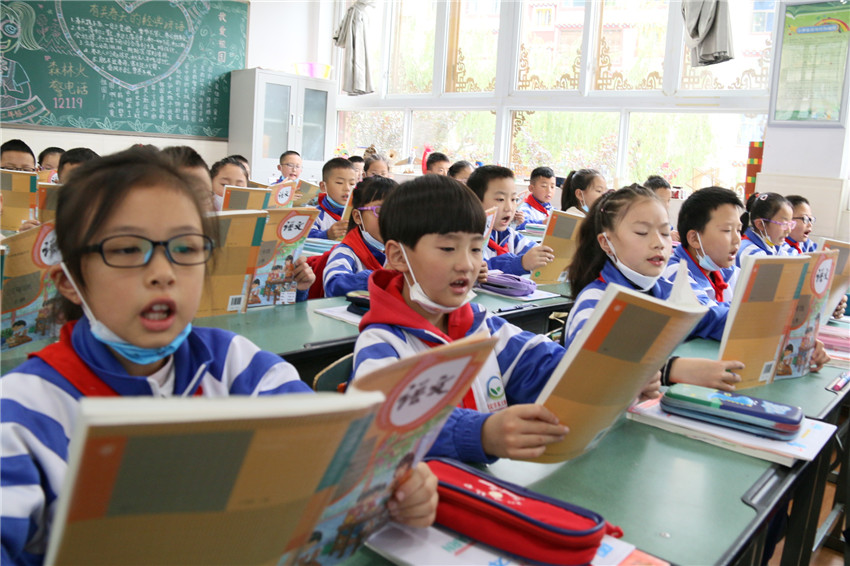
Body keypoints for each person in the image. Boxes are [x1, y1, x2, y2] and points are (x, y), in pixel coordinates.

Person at [0, 147, 437, 565]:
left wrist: (391, 491)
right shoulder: (22, 412)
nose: (163, 273)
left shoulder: (236, 365)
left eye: (186, 248)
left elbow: (331, 460)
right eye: (127, 249)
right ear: (69, 280)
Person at [350, 175, 573, 463]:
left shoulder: (481, 324)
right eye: (448, 248)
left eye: (476, 249)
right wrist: (481, 434)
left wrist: (598, 376)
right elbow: (386, 424)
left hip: (482, 482)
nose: (467, 264)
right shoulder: (382, 342)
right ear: (398, 256)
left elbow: (542, 364)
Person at [564, 185, 749, 391]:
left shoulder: (668, 292)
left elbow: (714, 318)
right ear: (606, 242)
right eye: (642, 232)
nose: (658, 243)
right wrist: (671, 369)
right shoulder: (595, 300)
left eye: (665, 232)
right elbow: (590, 368)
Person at [467, 165, 554, 276]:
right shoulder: (467, 237)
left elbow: (533, 248)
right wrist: (520, 263)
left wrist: (545, 254)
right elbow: (480, 268)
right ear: (475, 201)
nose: (509, 207)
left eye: (513, 199)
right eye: (500, 199)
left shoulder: (508, 234)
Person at [663, 187, 742, 306]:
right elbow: (706, 313)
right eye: (727, 230)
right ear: (694, 238)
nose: (737, 239)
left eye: (739, 230)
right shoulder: (673, 272)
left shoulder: (726, 271)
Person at [323, 176, 397, 297]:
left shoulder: (399, 252)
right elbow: (334, 284)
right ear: (357, 217)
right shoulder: (346, 252)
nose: (389, 218)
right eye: (380, 211)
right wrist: (379, 276)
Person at [737, 192, 793, 267]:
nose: (789, 230)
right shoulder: (750, 252)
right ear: (760, 224)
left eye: (790, 224)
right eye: (784, 224)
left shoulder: (776, 246)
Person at [309, 157, 358, 240]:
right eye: (340, 182)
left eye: (352, 183)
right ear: (323, 186)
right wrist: (327, 235)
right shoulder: (314, 215)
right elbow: (305, 238)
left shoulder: (358, 214)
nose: (347, 188)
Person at [644, 175, 679, 242]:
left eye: (668, 200)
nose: (666, 205)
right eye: (662, 200)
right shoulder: (642, 220)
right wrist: (667, 235)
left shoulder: (663, 219)